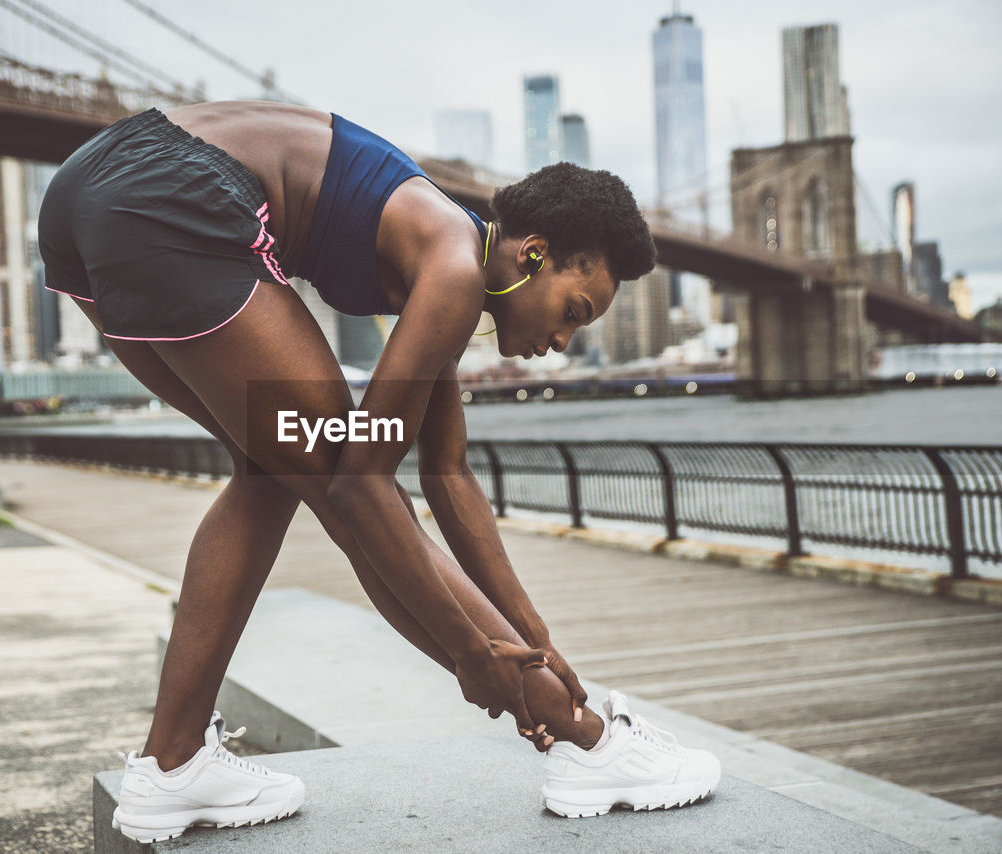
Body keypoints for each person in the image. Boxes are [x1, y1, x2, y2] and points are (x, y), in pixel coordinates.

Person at [38, 101, 720, 843]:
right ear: (533, 254)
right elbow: (361, 488)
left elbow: (448, 475)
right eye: (573, 310)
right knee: (343, 477)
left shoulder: (449, 261)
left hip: (89, 190)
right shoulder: (456, 269)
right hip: (170, 193)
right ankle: (587, 741)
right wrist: (471, 655)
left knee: (271, 471)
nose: (561, 339)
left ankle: (172, 764)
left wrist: (533, 634)